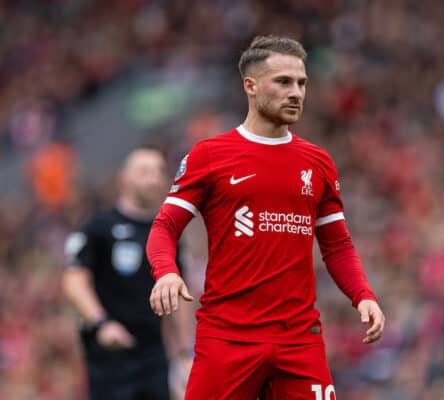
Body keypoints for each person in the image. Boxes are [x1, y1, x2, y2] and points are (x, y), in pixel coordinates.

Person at [146, 35, 385, 399]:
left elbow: (336, 245)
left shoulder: (317, 163)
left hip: (299, 340)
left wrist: (363, 295)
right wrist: (165, 272)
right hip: (228, 337)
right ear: (251, 86)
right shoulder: (210, 155)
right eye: (284, 82)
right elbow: (165, 226)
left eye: (302, 83)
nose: (296, 93)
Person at [63, 147, 194, 400]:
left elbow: (180, 292)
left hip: (153, 354)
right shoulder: (99, 226)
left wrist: (183, 354)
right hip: (110, 357)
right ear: (124, 179)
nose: (154, 178)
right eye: (144, 172)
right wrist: (101, 323)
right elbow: (74, 280)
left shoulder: (168, 233)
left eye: (159, 172)